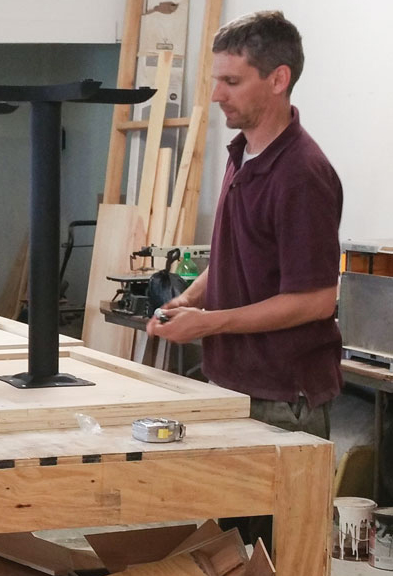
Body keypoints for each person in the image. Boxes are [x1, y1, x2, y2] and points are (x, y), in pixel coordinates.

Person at [146, 10, 342, 548]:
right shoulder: (242, 155)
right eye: (216, 80)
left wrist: (210, 324)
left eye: (231, 82)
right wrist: (190, 297)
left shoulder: (301, 174)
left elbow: (317, 300)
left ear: (278, 79)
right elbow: (239, 254)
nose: (215, 96)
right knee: (227, 551)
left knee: (277, 556)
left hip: (283, 401)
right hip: (235, 387)